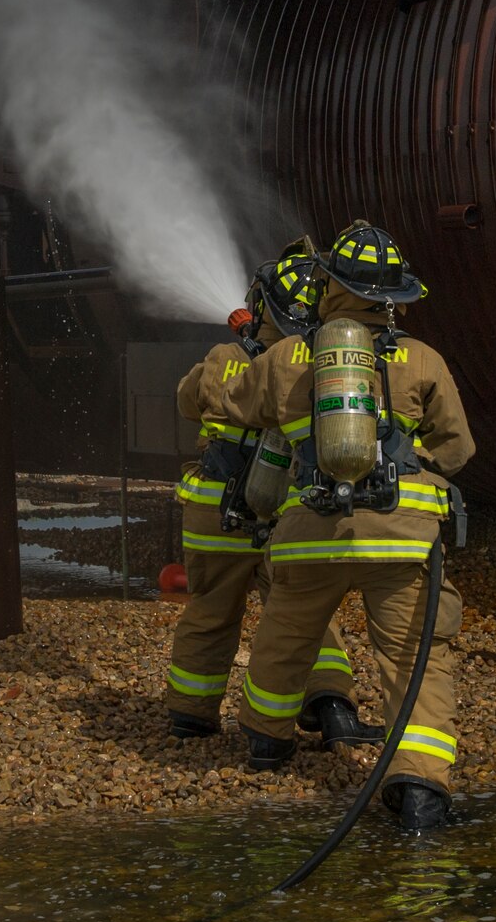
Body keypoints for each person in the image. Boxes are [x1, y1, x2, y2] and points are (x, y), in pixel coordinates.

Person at [220, 221, 474, 831]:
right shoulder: (422, 358)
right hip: (402, 535)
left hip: (311, 535)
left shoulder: (288, 357)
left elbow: (231, 406)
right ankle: (417, 789)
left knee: (285, 639)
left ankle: (267, 743)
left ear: (328, 284)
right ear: (391, 296)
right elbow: (458, 447)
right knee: (413, 661)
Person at [163, 246, 372, 746]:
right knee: (303, 611)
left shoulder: (227, 357)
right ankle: (331, 709)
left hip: (219, 514)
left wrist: (244, 344)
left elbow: (190, 400)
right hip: (291, 515)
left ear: (263, 306)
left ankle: (192, 716)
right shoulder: (320, 363)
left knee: (212, 610)